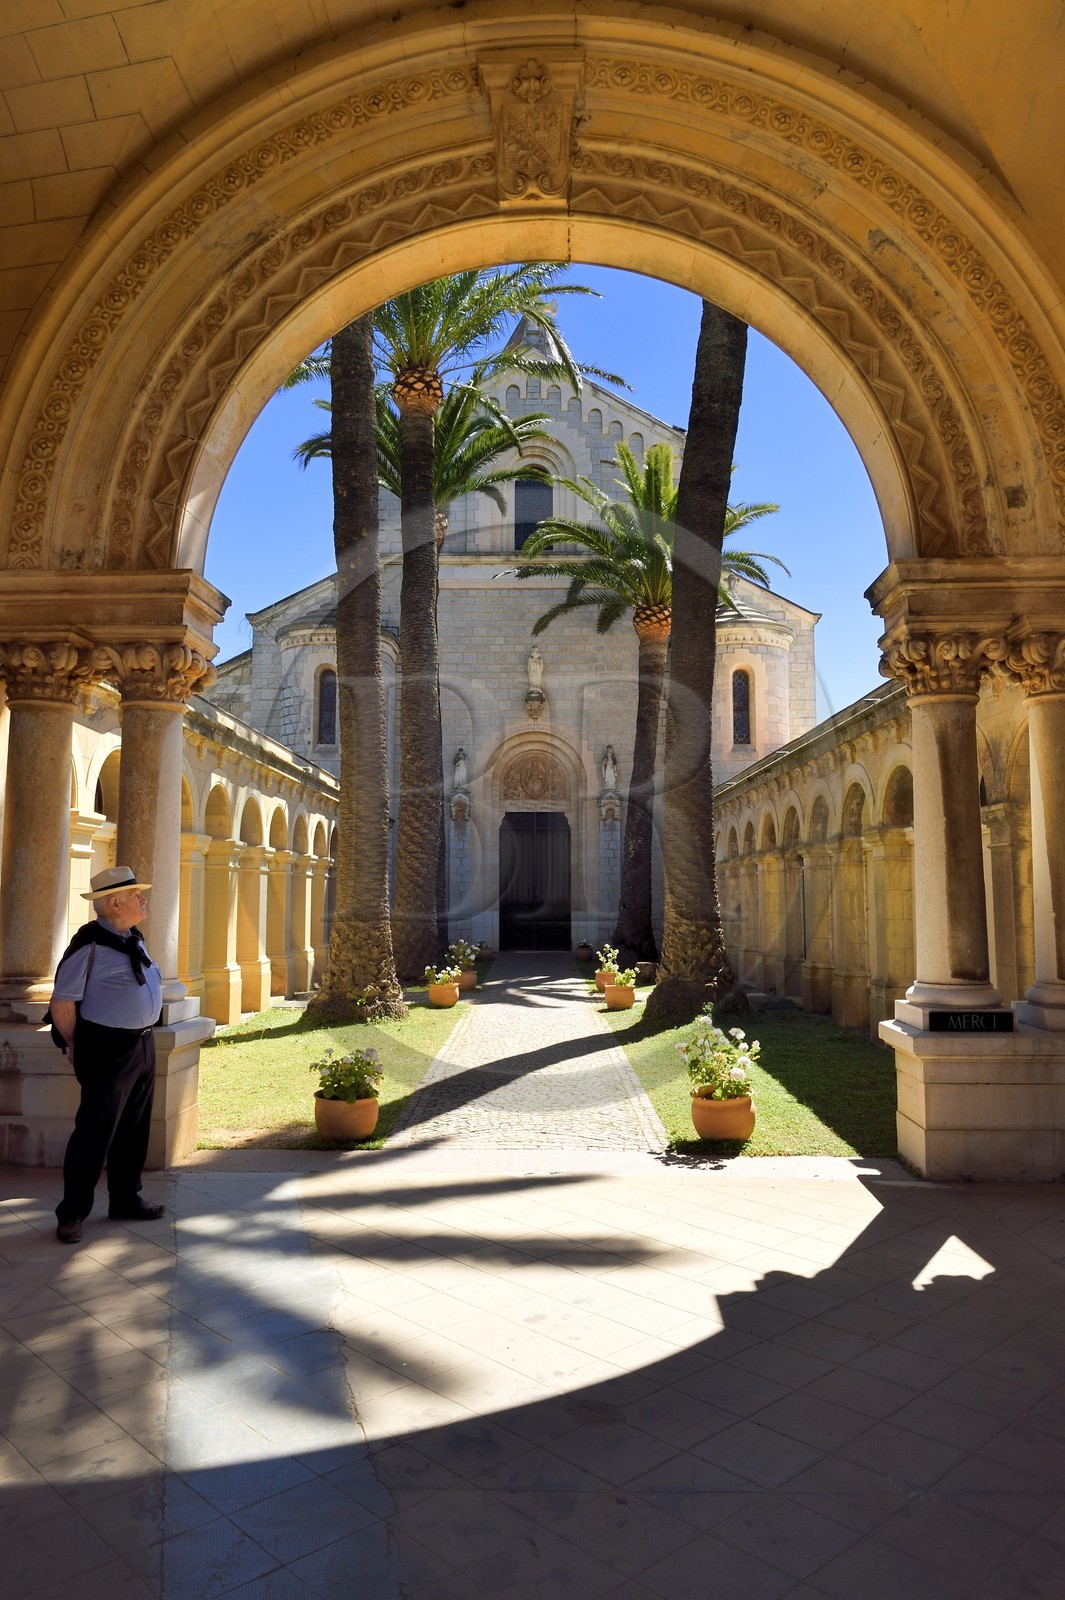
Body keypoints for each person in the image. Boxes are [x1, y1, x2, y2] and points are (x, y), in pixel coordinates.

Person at [52, 865, 165, 1244]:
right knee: (94, 1133)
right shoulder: (89, 945)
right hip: (108, 1050)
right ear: (115, 902)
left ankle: (125, 1199)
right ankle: (71, 1214)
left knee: (133, 1128)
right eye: (136, 895)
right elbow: (63, 1002)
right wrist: (74, 1044)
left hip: (142, 1044)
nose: (143, 899)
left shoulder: (132, 937)